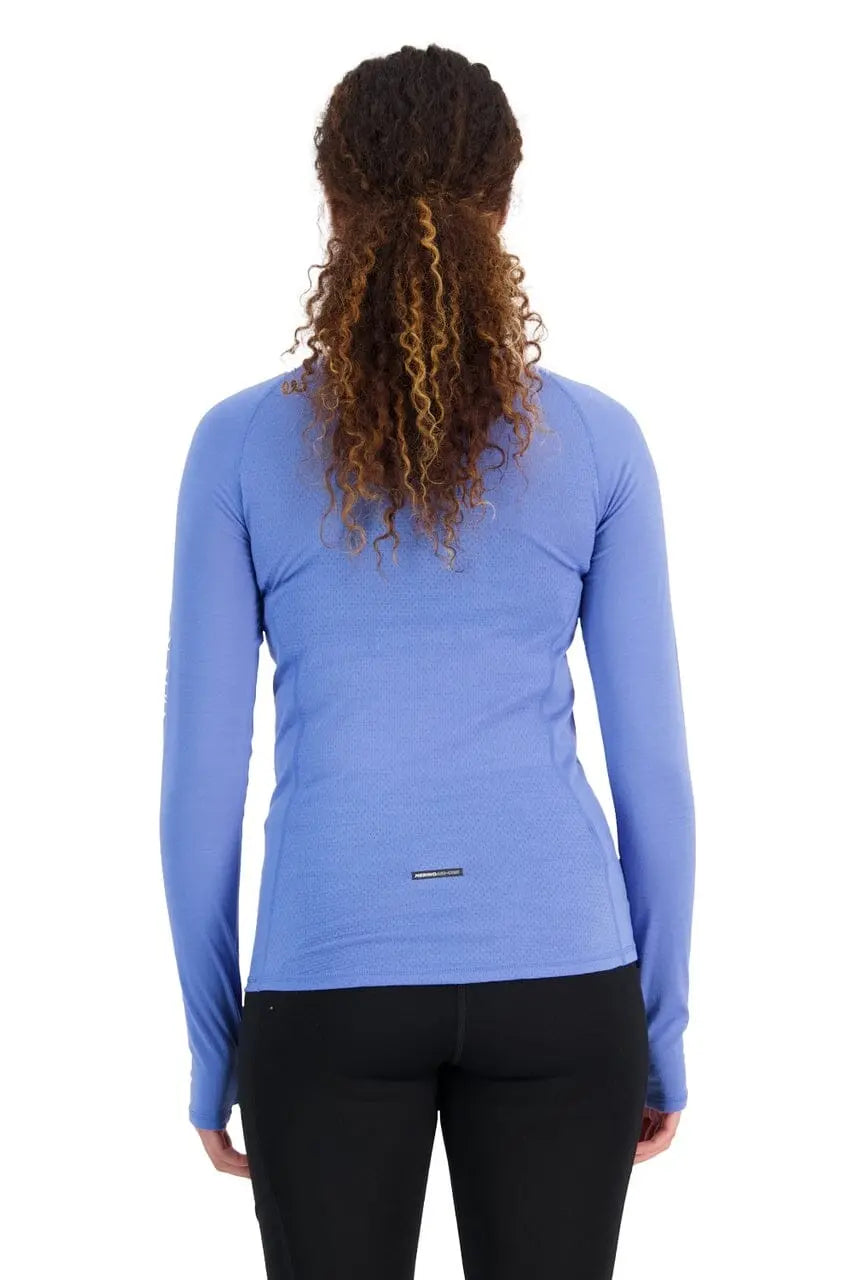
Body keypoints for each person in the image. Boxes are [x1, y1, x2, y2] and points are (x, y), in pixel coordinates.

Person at [159, 41, 696, 1280]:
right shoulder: (602, 441)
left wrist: (212, 1041)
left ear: (331, 200)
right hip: (564, 983)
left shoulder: (235, 446)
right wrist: (659, 1025)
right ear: (502, 204)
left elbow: (199, 785)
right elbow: (654, 771)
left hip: (327, 976)